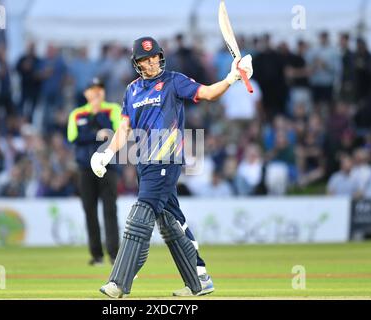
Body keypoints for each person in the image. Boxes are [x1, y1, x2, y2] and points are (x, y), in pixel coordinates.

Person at [90, 36, 253, 298]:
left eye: (155, 56)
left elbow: (208, 93)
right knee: (171, 222)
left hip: (166, 160)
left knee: (140, 216)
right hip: (144, 163)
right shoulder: (131, 90)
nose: (152, 62)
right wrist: (107, 153)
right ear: (137, 63)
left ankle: (119, 282)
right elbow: (124, 128)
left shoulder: (174, 81)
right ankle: (199, 279)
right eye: (146, 59)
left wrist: (232, 77)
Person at [67, 77, 122, 266]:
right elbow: (74, 138)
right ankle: (96, 254)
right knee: (89, 210)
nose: (96, 93)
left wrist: (98, 115)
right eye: (92, 89)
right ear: (86, 93)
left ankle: (114, 254)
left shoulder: (113, 109)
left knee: (110, 209)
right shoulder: (77, 113)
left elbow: (115, 133)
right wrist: (97, 133)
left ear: (103, 92)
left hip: (109, 165)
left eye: (99, 89)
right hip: (85, 167)